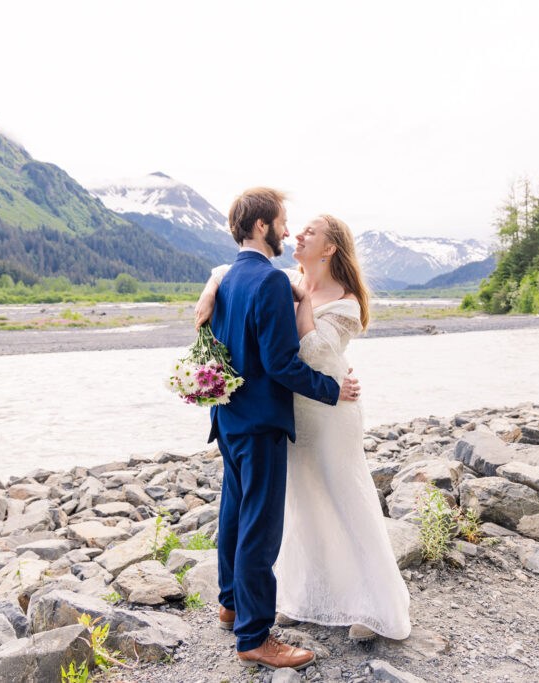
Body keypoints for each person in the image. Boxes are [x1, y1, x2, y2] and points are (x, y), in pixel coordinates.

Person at [196, 211, 411, 647]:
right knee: (299, 505)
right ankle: (310, 596)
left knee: (342, 497)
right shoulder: (285, 278)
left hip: (330, 412)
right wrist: (209, 289)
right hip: (291, 408)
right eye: (294, 227)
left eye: (309, 232)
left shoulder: (346, 300)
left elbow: (315, 351)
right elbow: (231, 268)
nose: (296, 234)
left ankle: (373, 603)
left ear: (330, 248)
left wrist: (305, 305)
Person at [204, 187, 361, 672]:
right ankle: (254, 635)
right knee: (260, 527)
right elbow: (280, 363)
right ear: (260, 227)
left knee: (233, 514)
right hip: (261, 422)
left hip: (227, 416)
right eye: (281, 222)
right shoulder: (270, 282)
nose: (287, 231)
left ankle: (231, 605)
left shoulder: (228, 278)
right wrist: (332, 389)